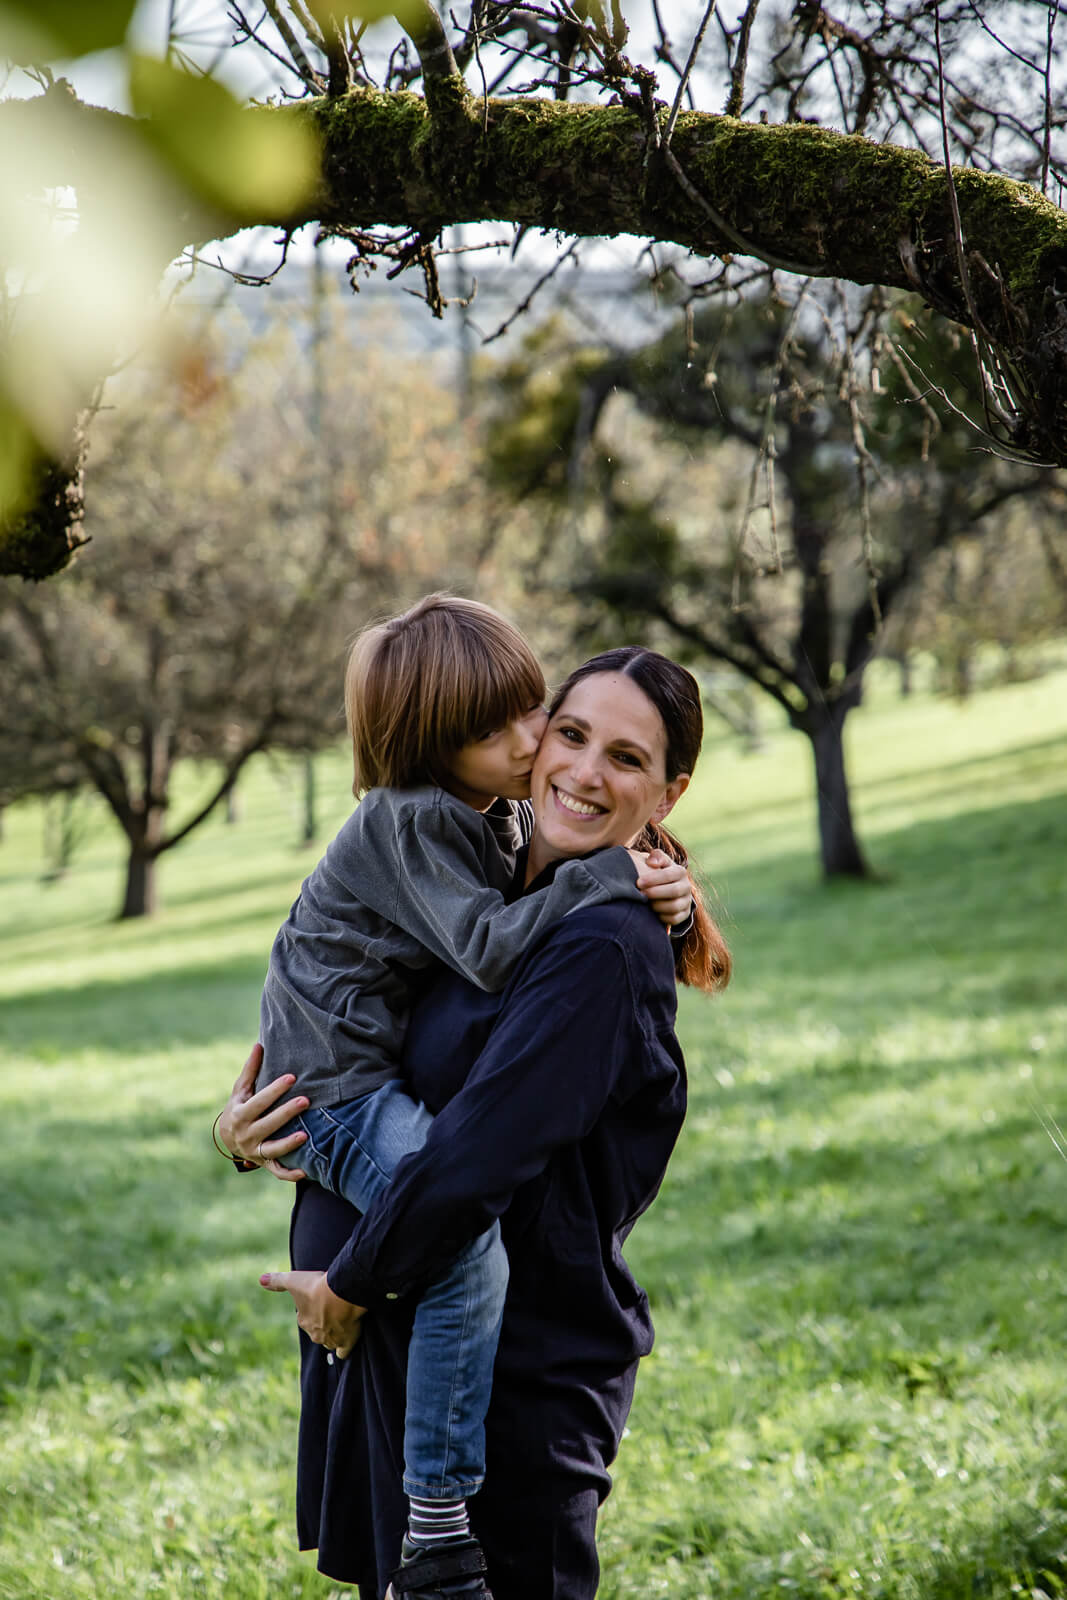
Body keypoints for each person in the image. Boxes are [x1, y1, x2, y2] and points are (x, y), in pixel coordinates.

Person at [222, 645, 731, 1600]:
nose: (581, 769)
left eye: (625, 759)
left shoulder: (601, 941)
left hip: (509, 1397)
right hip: (407, 1371)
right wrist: (248, 1130)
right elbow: (357, 1025)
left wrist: (351, 1284)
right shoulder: (487, 883)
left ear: (667, 795)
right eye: (570, 733)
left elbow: (474, 1156)